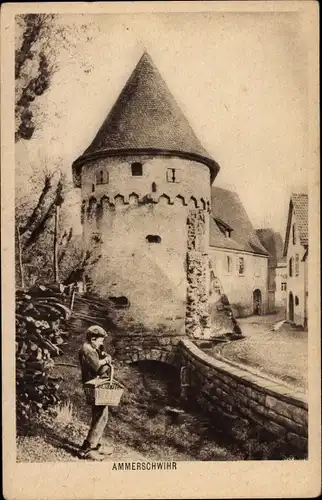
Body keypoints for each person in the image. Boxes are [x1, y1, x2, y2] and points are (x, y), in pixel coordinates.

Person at [78, 325, 114, 460]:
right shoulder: (88, 351)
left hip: (96, 384)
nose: (102, 343)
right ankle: (88, 449)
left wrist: (103, 355)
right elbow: (97, 368)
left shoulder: (91, 348)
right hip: (94, 385)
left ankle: (94, 443)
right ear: (93, 339)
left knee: (101, 415)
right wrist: (105, 361)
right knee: (100, 415)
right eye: (100, 340)